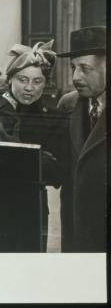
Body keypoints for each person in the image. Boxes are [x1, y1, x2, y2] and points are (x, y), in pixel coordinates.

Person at [0, 41, 67, 252]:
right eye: (23, 79)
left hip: (32, 209)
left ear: (45, 84)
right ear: (10, 78)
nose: (29, 88)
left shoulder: (53, 118)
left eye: (37, 81)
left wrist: (20, 151)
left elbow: (59, 174)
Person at [57, 25, 106, 252]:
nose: (76, 77)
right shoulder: (67, 104)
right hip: (76, 230)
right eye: (73, 67)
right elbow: (59, 165)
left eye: (85, 68)